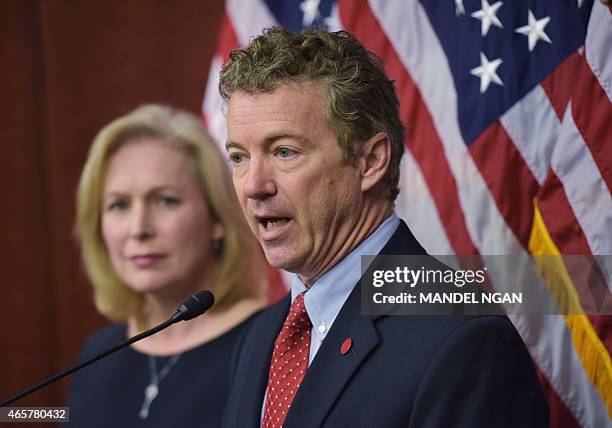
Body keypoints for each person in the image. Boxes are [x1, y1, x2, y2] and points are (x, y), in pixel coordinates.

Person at [219, 28, 549, 427]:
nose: (253, 185)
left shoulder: (464, 339)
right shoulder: (262, 335)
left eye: (284, 151)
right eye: (238, 157)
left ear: (370, 162)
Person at [67, 104, 267, 427]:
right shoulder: (97, 353)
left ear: (217, 217)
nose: (138, 228)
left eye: (165, 200)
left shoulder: (270, 341)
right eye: (118, 205)